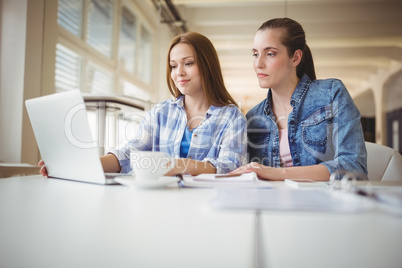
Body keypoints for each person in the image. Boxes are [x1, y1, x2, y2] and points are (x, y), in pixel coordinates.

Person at [39, 32, 247, 177]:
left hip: (205, 206)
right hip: (159, 203)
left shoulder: (231, 117)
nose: (179, 73)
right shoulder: (160, 113)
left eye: (188, 63)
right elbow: (130, 154)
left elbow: (230, 167)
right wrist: (79, 166)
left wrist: (179, 165)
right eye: (173, 66)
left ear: (207, 66)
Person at [230, 18, 367, 181]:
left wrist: (276, 173)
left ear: (295, 58)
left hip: (326, 202)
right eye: (255, 54)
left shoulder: (331, 93)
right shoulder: (253, 117)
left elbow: (354, 166)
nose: (258, 63)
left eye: (270, 54)